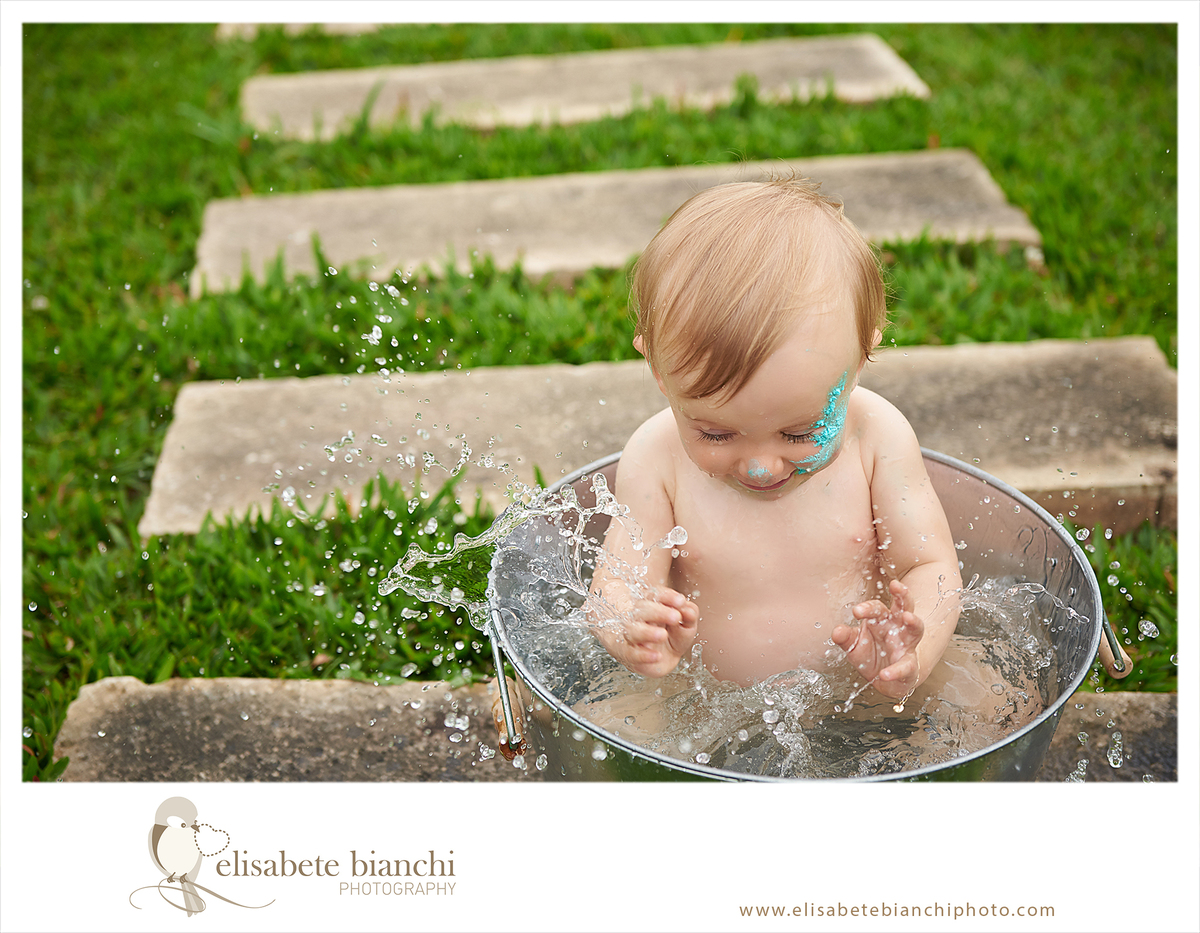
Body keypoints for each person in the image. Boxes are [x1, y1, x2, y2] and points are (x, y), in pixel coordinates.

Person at [588, 176, 962, 704]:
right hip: (702, 707)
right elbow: (613, 582)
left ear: (860, 361)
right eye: (715, 433)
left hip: (861, 696)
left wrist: (910, 654)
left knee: (984, 698)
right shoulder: (656, 456)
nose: (761, 467)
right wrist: (630, 629)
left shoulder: (876, 436)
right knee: (609, 715)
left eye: (801, 432)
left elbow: (930, 566)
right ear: (656, 370)